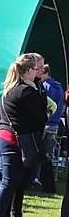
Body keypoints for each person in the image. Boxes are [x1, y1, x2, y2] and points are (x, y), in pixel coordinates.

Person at [0, 54, 46, 217]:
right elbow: (41, 118)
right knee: (8, 183)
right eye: (36, 70)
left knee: (5, 183)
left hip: (5, 137)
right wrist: (39, 94)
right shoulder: (26, 92)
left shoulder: (10, 90)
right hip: (13, 140)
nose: (38, 73)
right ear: (28, 71)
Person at [40, 63, 63, 194]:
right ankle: (49, 185)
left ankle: (37, 182)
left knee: (37, 154)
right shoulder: (59, 87)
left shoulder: (44, 87)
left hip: (45, 124)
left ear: (45, 73)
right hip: (54, 125)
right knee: (48, 156)